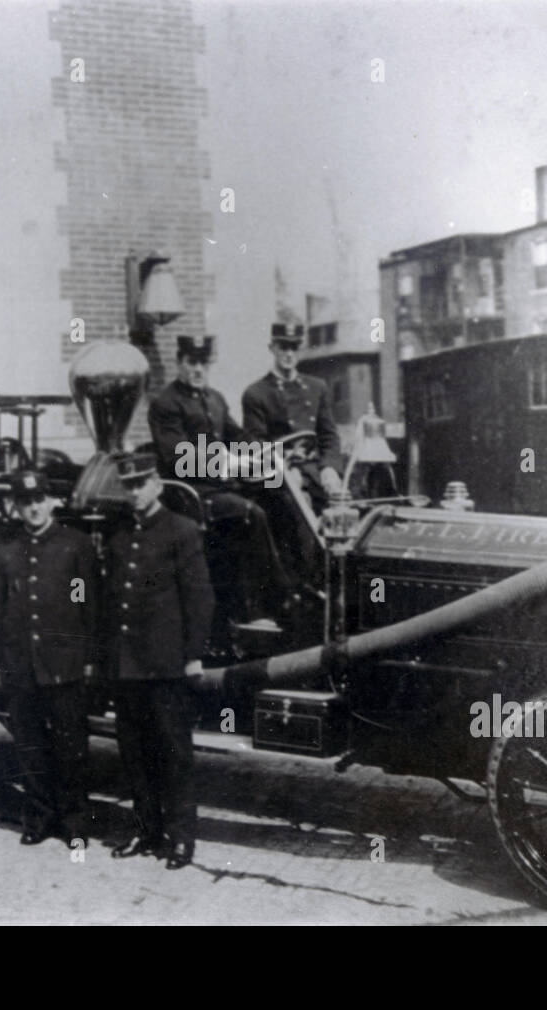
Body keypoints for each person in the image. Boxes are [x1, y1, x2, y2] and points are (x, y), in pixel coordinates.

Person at [106, 452, 214, 869]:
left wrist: (193, 656)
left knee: (173, 754)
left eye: (141, 483)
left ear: (157, 485)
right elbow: (110, 601)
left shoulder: (181, 531)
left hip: (166, 665)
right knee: (134, 753)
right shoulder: (118, 536)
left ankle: (182, 837)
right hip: (127, 665)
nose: (134, 492)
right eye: (128, 485)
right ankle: (145, 830)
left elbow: (199, 598)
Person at [147, 333, 291, 621]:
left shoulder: (215, 398)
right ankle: (270, 605)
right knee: (251, 514)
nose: (198, 369)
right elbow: (177, 458)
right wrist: (229, 464)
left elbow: (238, 435)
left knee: (280, 494)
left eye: (203, 362)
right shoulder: (166, 404)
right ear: (179, 362)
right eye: (191, 362)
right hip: (191, 493)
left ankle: (297, 583)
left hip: (221, 487)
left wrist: (267, 453)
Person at [0, 469, 99, 847]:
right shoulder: (6, 551)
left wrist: (87, 657)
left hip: (63, 665)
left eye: (39, 500)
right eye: (25, 502)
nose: (33, 508)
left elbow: (86, 604)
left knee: (71, 749)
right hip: (22, 666)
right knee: (30, 747)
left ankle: (75, 823)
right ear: (15, 506)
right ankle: (39, 817)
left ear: (52, 501)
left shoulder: (75, 546)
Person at [240, 323, 345, 587]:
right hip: (277, 478)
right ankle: (305, 586)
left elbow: (329, 437)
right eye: (283, 347)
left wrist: (330, 468)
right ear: (272, 348)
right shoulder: (256, 394)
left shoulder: (317, 387)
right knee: (297, 514)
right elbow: (256, 447)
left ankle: (342, 576)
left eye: (294, 347)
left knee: (349, 506)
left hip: (315, 473)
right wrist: (286, 470)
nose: (289, 353)